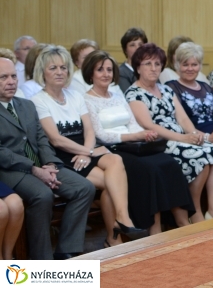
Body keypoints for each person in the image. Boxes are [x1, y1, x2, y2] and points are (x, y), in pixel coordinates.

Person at [31, 45, 147, 248]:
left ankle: (121, 221)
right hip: (63, 156)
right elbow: (56, 139)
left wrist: (87, 151)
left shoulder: (75, 95)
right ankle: (115, 235)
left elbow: (89, 131)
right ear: (42, 72)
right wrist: (90, 151)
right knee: (111, 184)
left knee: (115, 160)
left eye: (63, 67)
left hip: (83, 150)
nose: (60, 72)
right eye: (53, 68)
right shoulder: (38, 100)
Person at [82, 50, 193, 236]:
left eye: (109, 69)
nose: (106, 74)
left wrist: (144, 134)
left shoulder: (117, 95)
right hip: (113, 149)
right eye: (100, 69)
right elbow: (100, 135)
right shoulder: (86, 99)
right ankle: (153, 229)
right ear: (90, 73)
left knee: (169, 163)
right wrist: (134, 137)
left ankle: (183, 222)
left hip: (134, 145)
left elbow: (132, 124)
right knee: (149, 170)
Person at [0, 57, 95, 260]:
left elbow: (41, 139)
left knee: (84, 188)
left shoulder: (26, 105)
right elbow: (2, 153)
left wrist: (50, 164)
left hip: (41, 165)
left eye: (13, 76)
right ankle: (41, 259)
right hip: (11, 170)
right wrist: (35, 169)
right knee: (43, 195)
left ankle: (66, 250)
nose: (11, 82)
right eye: (3, 77)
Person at [125, 44, 213, 224]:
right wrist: (183, 138)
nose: (153, 68)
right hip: (159, 142)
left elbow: (183, 119)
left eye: (157, 64)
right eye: (148, 63)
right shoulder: (134, 93)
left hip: (181, 138)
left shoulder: (166, 89)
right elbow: (148, 125)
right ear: (138, 67)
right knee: (200, 157)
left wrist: (196, 135)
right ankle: (194, 210)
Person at [165, 42, 213, 221]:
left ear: (200, 65)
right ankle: (196, 211)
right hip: (191, 134)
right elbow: (182, 121)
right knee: (212, 154)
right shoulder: (171, 87)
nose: (190, 69)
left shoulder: (205, 86)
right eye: (185, 64)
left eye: (194, 64)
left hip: (212, 133)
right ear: (177, 65)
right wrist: (208, 137)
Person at [119, 28, 148, 93]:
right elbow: (128, 95)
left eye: (140, 45)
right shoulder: (121, 72)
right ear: (125, 50)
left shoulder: (150, 68)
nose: (137, 48)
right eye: (132, 45)